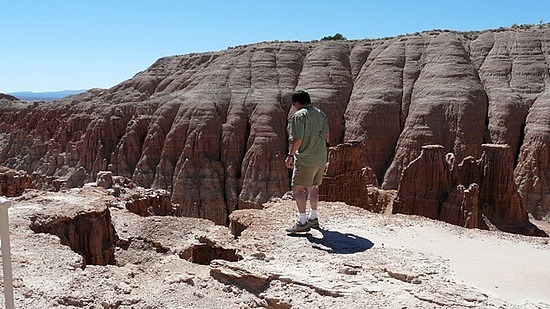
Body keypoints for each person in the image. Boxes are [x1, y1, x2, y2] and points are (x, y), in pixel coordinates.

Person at [285, 90, 330, 233]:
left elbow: (298, 139)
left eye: (294, 104)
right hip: (321, 157)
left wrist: (290, 155)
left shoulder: (299, 115)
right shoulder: (320, 113)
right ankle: (313, 218)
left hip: (306, 158)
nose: (294, 107)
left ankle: (302, 222)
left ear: (297, 103)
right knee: (314, 187)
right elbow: (327, 136)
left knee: (298, 189)